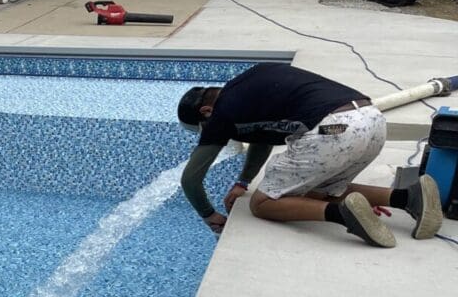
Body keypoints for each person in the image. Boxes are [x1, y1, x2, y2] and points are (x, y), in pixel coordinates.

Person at [177, 63, 439, 247]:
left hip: (333, 130)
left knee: (262, 204)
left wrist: (209, 216)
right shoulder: (250, 83)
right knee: (314, 190)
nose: (207, 132)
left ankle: (344, 215)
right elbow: (261, 140)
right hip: (373, 120)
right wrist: (242, 182)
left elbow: (190, 179)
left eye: (202, 128)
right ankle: (406, 197)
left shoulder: (221, 114)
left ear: (206, 112)